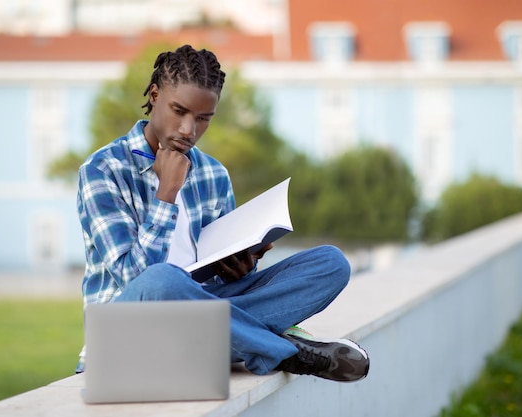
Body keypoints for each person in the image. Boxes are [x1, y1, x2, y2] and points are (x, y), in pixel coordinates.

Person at [75, 44, 369, 382]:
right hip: (126, 332)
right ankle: (285, 352)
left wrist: (241, 269)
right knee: (165, 279)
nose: (189, 129)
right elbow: (133, 278)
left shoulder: (213, 173)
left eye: (203, 119)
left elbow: (213, 280)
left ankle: (236, 342)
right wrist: (166, 194)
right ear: (154, 96)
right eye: (179, 111)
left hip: (196, 322)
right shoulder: (102, 170)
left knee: (330, 264)